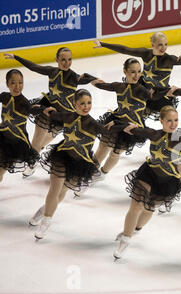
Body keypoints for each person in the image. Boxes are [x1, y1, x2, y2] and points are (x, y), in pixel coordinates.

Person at [29, 89, 125, 240]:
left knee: (62, 193)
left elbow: (110, 131)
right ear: (74, 104)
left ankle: (44, 209)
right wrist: (44, 109)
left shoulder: (94, 124)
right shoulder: (67, 116)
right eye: (82, 103)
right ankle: (46, 221)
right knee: (55, 190)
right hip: (62, 156)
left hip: (81, 163)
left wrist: (119, 123)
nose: (86, 106)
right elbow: (50, 114)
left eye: (89, 103)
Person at [3, 49, 97, 177]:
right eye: (63, 59)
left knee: (42, 144)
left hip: (63, 117)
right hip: (47, 110)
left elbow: (93, 80)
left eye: (69, 59)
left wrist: (87, 75)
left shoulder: (75, 77)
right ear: (56, 59)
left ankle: (34, 156)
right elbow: (33, 67)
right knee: (36, 142)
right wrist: (16, 57)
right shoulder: (52, 72)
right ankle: (32, 163)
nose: (66, 63)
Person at [113, 106, 181, 260]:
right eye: (169, 120)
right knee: (136, 205)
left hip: (167, 180)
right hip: (148, 173)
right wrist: (116, 125)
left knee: (148, 210)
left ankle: (135, 229)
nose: (173, 124)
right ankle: (125, 240)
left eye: (176, 120)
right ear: (161, 120)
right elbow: (132, 129)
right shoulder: (154, 134)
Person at [93, 32, 181, 120]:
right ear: (153, 45)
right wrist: (103, 44)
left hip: (160, 94)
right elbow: (126, 50)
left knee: (170, 117)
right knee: (129, 113)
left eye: (165, 44)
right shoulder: (146, 54)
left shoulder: (170, 59)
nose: (163, 48)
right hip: (143, 90)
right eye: (160, 44)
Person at [88, 58, 160, 186]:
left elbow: (155, 96)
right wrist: (89, 78)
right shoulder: (119, 86)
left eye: (139, 72)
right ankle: (90, 173)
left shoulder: (142, 90)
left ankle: (102, 174)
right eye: (132, 72)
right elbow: (102, 85)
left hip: (132, 128)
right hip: (115, 122)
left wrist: (170, 91)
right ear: (125, 71)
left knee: (116, 153)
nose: (136, 75)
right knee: (102, 148)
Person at [0, 69, 52, 182]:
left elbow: (32, 110)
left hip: (16, 143)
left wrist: (44, 110)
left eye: (20, 82)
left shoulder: (24, 103)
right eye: (13, 82)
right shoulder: (4, 96)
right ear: (7, 84)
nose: (17, 86)